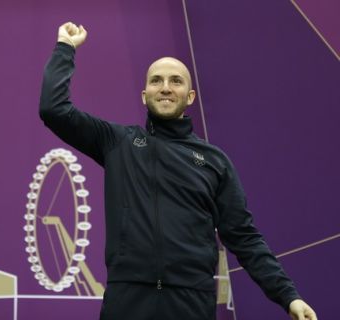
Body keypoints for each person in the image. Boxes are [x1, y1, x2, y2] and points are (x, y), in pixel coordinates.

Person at [39, 22, 317, 320]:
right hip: (128, 300)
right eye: (156, 81)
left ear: (190, 96)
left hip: (191, 302)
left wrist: (289, 296)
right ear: (145, 95)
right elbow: (54, 110)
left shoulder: (215, 162)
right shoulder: (118, 142)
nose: (166, 87)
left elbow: (244, 237)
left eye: (176, 81)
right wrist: (65, 48)